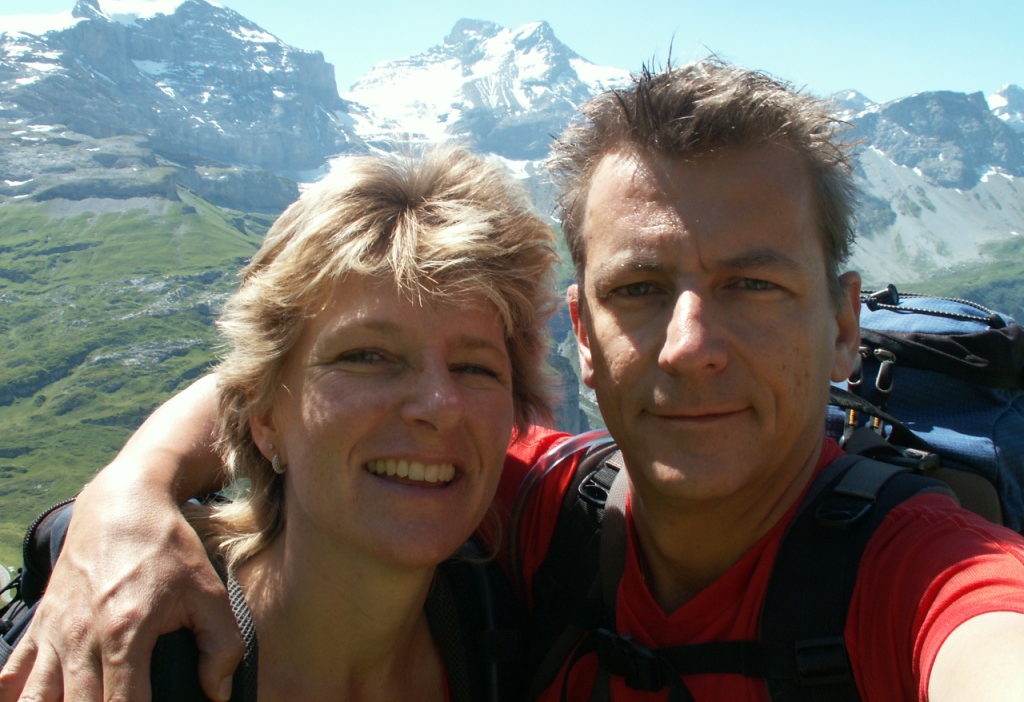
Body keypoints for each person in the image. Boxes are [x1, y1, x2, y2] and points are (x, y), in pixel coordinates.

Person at [4, 60, 1024, 702]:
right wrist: (128, 494)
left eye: (753, 286)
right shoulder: (520, 504)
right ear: (580, 335)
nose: (690, 346)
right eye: (639, 289)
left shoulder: (920, 574)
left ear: (844, 327)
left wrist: (134, 485)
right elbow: (301, 395)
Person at [0, 146, 559, 701]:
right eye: (367, 356)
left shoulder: (520, 609)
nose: (440, 404)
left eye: (475, 367)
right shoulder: (122, 652)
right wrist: (129, 492)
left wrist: (137, 481)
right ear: (264, 417)